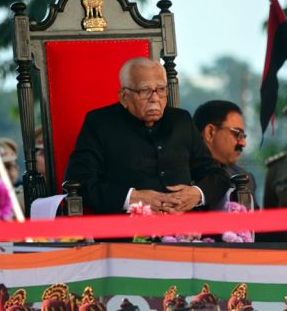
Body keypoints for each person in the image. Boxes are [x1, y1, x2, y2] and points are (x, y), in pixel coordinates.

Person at [64, 57, 229, 215]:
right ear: (123, 97)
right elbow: (80, 182)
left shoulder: (181, 121)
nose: (155, 98)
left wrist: (197, 194)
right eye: (144, 91)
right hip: (127, 233)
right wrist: (133, 198)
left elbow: (216, 174)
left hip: (185, 230)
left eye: (161, 89)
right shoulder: (100, 123)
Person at [193, 100, 258, 205]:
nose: (243, 143)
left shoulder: (245, 179)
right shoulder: (181, 173)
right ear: (210, 132)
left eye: (243, 136)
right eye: (237, 134)